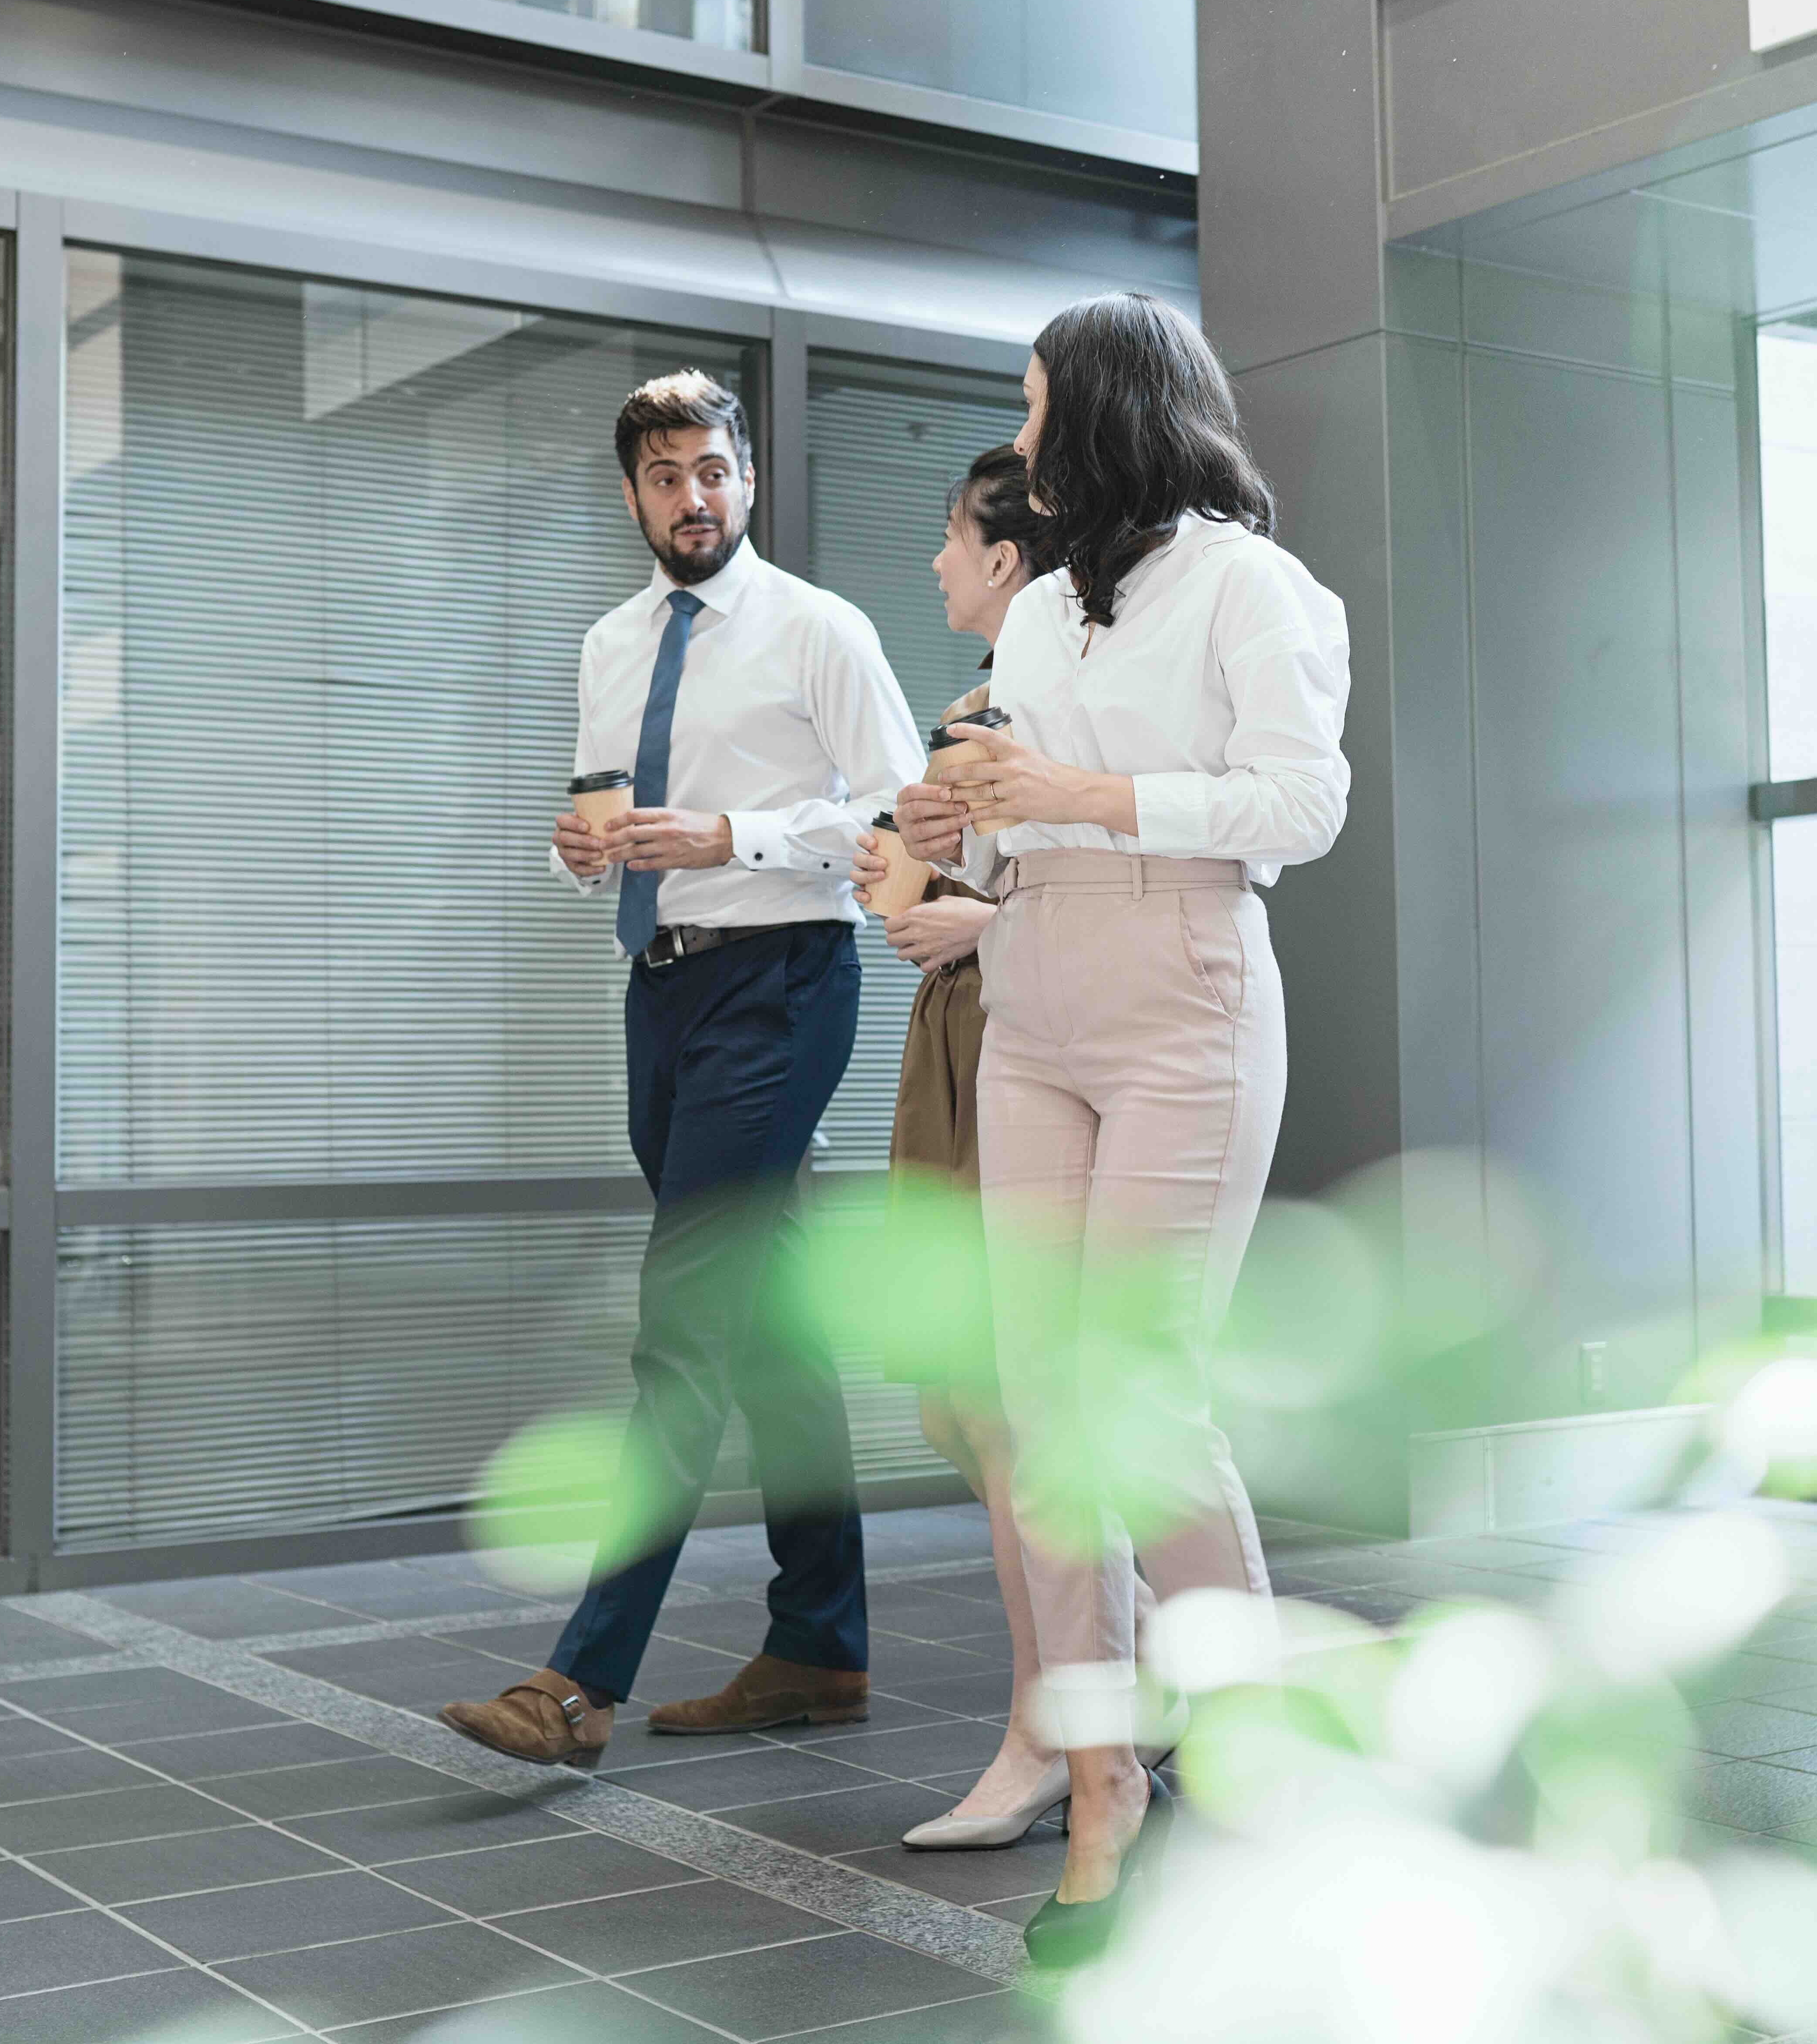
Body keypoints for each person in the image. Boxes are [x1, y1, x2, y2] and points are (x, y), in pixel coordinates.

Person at [893, 294, 1352, 1961]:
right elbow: (1010, 831)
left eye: (1032, 411)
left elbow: (1305, 804)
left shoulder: (1253, 585)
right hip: (1036, 993)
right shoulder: (1039, 620)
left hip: (1184, 989)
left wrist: (1079, 800)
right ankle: (1103, 1782)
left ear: (1102, 413)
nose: (1018, 446)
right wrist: (959, 831)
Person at [442, 371, 924, 1769]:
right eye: (665, 477)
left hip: (783, 985)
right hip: (659, 990)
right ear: (635, 493)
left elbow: (901, 817)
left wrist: (733, 838)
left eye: (713, 471)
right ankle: (820, 1644)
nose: (692, 498)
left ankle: (578, 1679)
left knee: (684, 1317)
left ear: (749, 479)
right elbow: (599, 811)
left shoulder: (819, 629)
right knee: (769, 1322)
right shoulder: (610, 642)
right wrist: (576, 849)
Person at [848, 445, 1160, 1853]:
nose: (933, 562)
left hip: (1032, 1030)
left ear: (1007, 560)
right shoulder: (972, 712)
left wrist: (969, 913)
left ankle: (1068, 1718)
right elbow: (923, 887)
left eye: (949, 540)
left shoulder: (1073, 709)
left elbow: (1087, 881)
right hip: (959, 1045)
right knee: (972, 1401)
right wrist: (907, 874)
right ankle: (1096, 1700)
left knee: (1023, 1398)